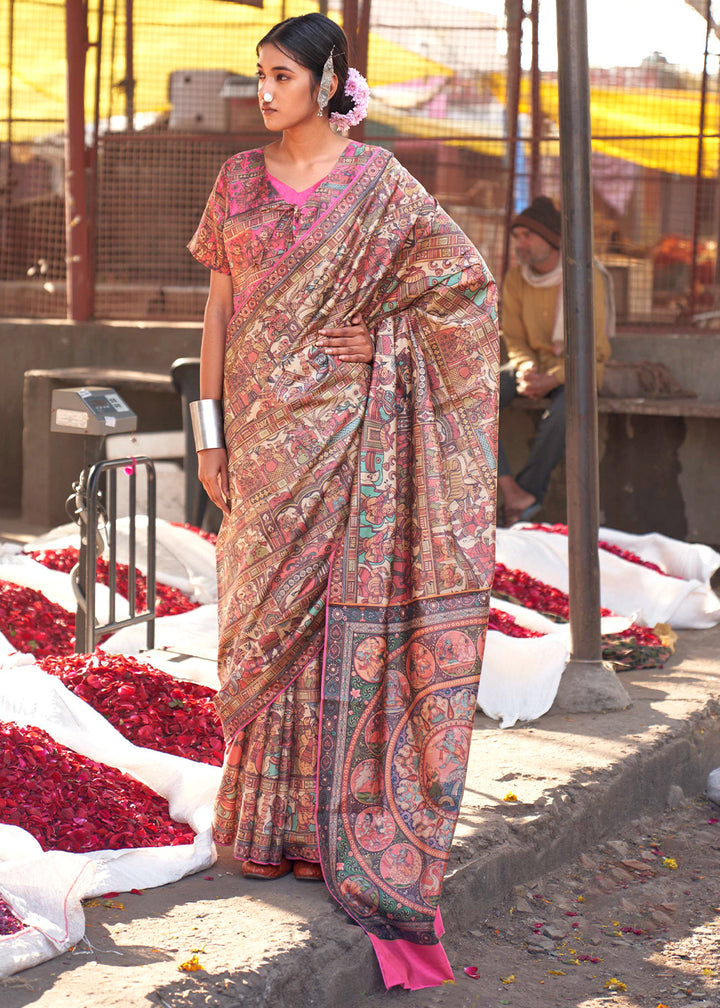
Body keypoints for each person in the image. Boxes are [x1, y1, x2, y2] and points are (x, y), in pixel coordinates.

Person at [187, 12, 498, 991]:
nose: (264, 90)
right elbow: (218, 315)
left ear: (328, 83)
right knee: (252, 635)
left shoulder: (380, 188)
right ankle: (261, 826)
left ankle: (327, 832)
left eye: (280, 75)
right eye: (259, 74)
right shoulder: (237, 179)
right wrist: (209, 436)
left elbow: (461, 287)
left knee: (326, 633)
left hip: (343, 440)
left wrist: (391, 340)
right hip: (257, 448)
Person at [498, 195, 612, 525]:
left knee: (565, 415)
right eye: (516, 237)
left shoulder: (585, 276)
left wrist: (556, 376)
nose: (520, 244)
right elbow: (514, 337)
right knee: (473, 398)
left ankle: (529, 492)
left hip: (580, 370)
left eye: (527, 236)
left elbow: (596, 349)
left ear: (551, 240)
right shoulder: (515, 279)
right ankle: (511, 491)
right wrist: (525, 369)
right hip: (533, 369)